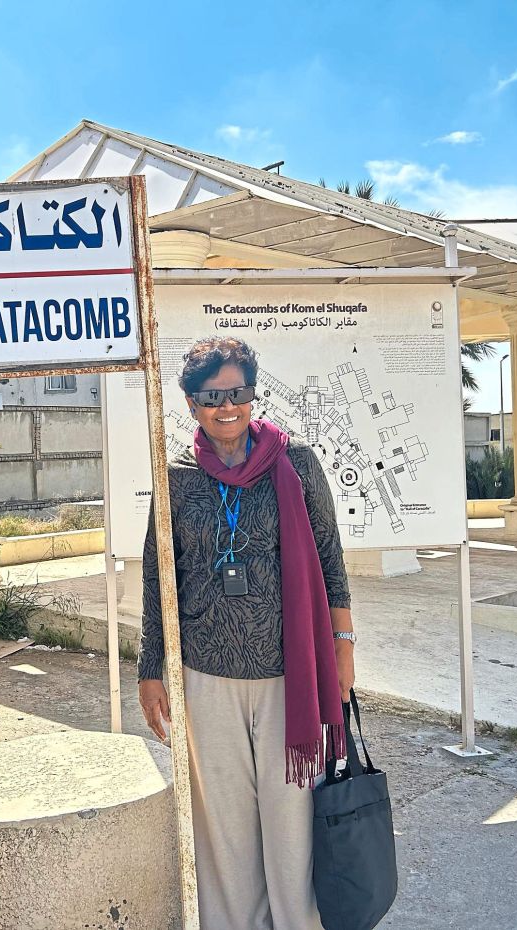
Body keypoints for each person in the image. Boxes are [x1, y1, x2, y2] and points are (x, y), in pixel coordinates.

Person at [139, 336, 357, 930]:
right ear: (191, 404)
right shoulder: (176, 477)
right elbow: (160, 576)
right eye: (212, 397)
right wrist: (151, 668)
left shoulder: (297, 463)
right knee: (226, 830)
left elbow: (330, 560)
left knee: (293, 821)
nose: (226, 407)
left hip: (291, 672)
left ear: (253, 396)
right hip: (206, 674)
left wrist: (343, 648)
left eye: (236, 393)